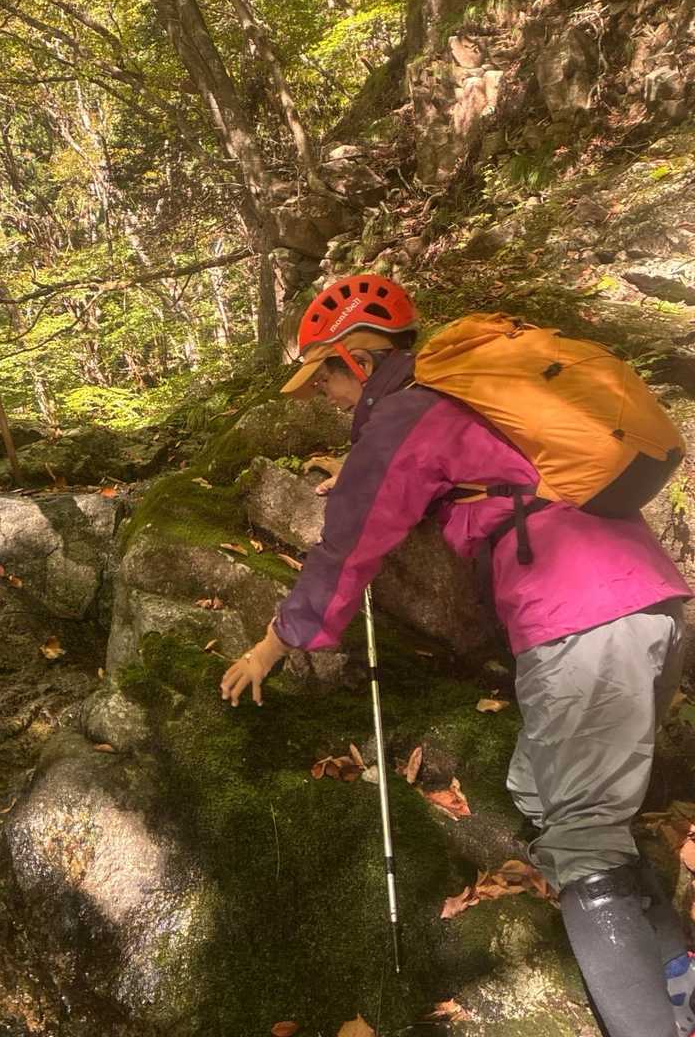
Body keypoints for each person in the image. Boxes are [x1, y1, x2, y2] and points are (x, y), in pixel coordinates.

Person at [220, 274, 694, 1037]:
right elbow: (468, 476)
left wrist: (272, 645)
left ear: (359, 361)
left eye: (326, 379)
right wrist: (357, 470)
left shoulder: (404, 417)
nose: (326, 398)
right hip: (647, 605)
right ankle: (677, 984)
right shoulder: (458, 397)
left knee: (584, 847)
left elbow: (344, 553)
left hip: (581, 625)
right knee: (541, 794)